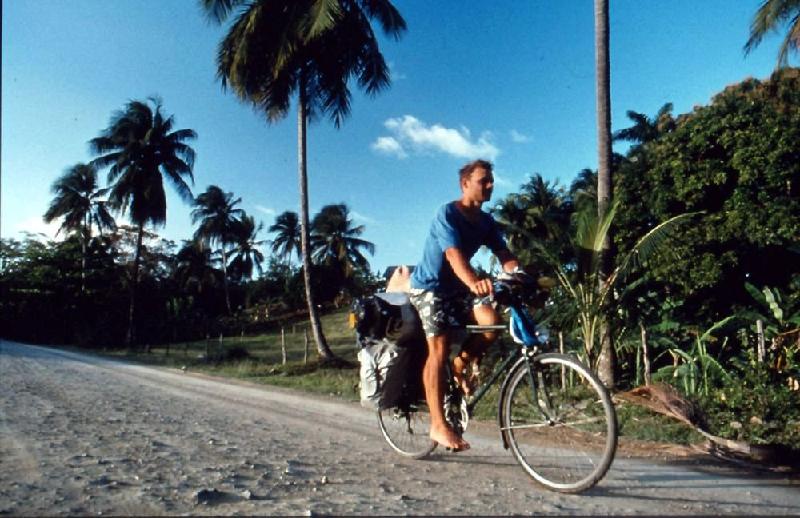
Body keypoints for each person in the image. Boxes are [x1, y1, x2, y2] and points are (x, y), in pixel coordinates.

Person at [408, 159, 520, 451]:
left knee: (491, 324)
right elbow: (453, 256)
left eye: (491, 180)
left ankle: (460, 365)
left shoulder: (486, 222)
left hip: (459, 288)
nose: (490, 185)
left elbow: (504, 253)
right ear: (465, 184)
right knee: (439, 349)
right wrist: (474, 282)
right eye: (484, 180)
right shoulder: (447, 213)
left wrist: (520, 274)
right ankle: (437, 425)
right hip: (430, 288)